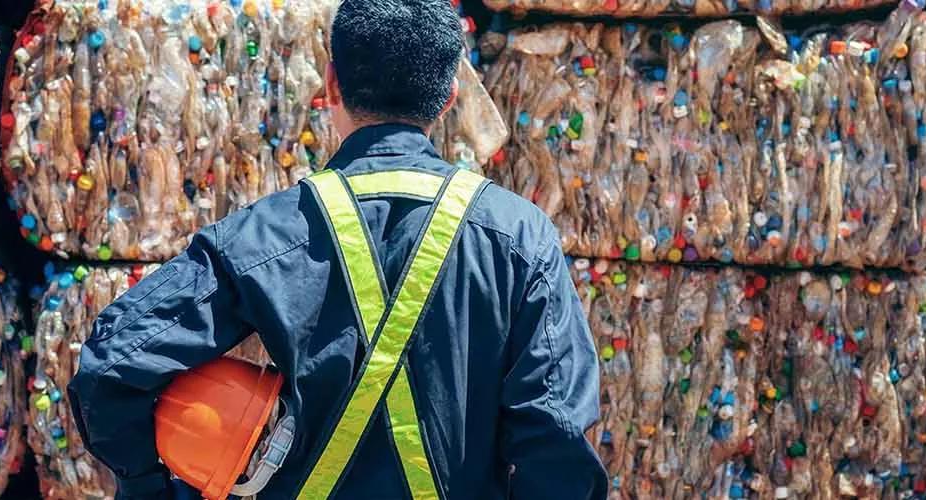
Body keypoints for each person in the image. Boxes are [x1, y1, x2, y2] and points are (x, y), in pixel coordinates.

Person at [67, 0, 606, 497]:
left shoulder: (265, 234)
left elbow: (109, 369)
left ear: (330, 83)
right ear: (449, 98)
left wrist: (158, 489)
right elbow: (556, 433)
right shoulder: (519, 236)